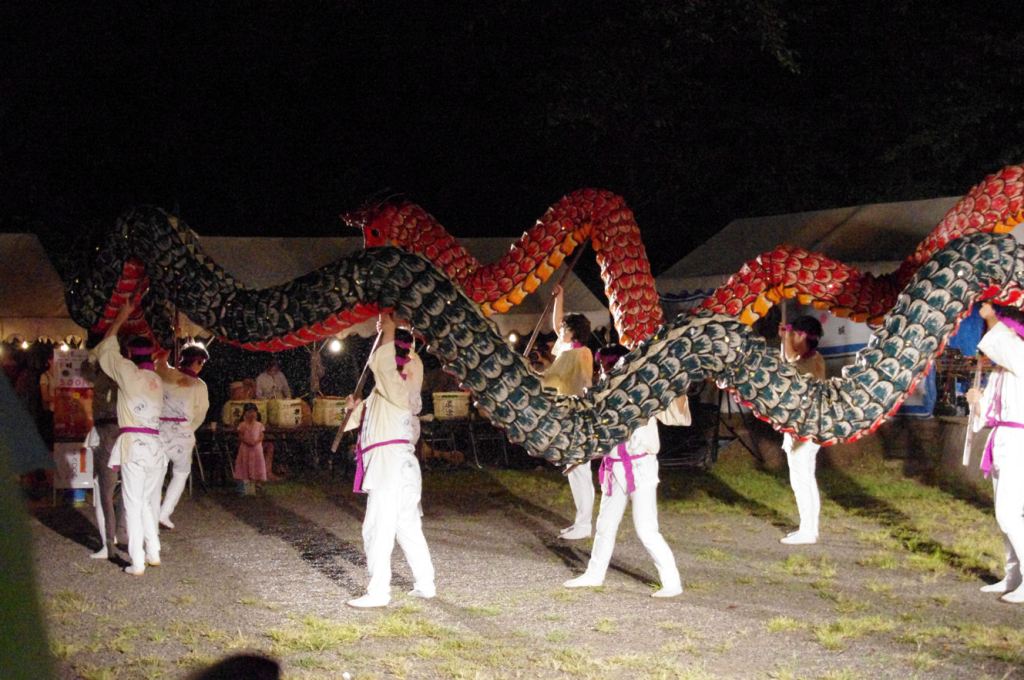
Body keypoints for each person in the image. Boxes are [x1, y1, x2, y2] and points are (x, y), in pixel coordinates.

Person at [563, 344, 689, 597]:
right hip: (614, 469)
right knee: (605, 525)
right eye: (601, 367)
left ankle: (672, 582)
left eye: (606, 366)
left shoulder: (645, 392)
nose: (602, 371)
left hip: (640, 467)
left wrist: (676, 386)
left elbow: (678, 417)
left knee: (646, 528)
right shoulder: (603, 395)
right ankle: (594, 574)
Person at [344, 312, 433, 608]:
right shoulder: (387, 393)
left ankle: (379, 592)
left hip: (390, 466)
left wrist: (389, 329)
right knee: (406, 526)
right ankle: (425, 583)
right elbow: (357, 419)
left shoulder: (398, 388)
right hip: (400, 466)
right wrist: (353, 408)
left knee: (377, 528)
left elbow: (382, 364)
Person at [96, 302, 165, 575]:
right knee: (146, 501)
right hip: (155, 446)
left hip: (135, 445)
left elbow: (106, 349)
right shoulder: (157, 380)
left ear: (129, 354)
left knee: (134, 504)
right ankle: (153, 551)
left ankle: (137, 562)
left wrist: (121, 318)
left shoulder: (128, 372)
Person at [966, 302, 1024, 604]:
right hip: (1003, 439)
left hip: (1019, 441)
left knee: (1009, 514)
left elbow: (1003, 342)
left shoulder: (1020, 355)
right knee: (1007, 514)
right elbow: (987, 412)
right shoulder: (1003, 370)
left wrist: (990, 316)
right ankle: (1013, 576)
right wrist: (976, 401)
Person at [541, 284, 595, 540]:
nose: (559, 330)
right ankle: (580, 521)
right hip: (567, 415)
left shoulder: (580, 353)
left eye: (564, 328)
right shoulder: (568, 351)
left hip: (577, 416)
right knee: (574, 471)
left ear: (573, 331)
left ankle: (584, 524)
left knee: (580, 470)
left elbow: (580, 381)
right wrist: (559, 297)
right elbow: (555, 324)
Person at [778, 315, 827, 545]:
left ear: (802, 335)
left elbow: (789, 367)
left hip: (804, 429)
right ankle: (809, 528)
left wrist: (785, 340)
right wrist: (785, 338)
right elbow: (789, 360)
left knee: (801, 479)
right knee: (805, 478)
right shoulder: (813, 359)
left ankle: (807, 530)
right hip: (806, 427)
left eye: (794, 334)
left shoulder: (810, 362)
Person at [153, 342, 210, 529]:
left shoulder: (166, 374)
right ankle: (164, 513)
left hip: (160, 429)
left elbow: (160, 362)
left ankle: (152, 511)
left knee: (157, 472)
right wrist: (189, 428)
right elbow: (201, 413)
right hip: (183, 432)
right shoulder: (199, 385)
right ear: (198, 362)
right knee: (181, 473)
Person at [81, 337, 124, 558]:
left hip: (106, 433)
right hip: (126, 434)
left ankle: (109, 544)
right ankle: (123, 536)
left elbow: (84, 370)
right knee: (128, 491)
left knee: (103, 492)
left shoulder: (102, 374)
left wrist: (93, 354)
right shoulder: (126, 373)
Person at [233, 403, 267, 495]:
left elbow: (261, 435)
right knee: (245, 464)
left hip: (256, 449)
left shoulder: (259, 425)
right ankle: (244, 487)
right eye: (249, 412)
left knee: (257, 465)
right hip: (245, 449)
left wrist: (256, 442)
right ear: (245, 413)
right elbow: (240, 435)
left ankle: (257, 484)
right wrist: (247, 441)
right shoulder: (242, 425)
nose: (251, 414)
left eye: (253, 412)